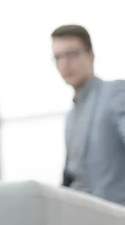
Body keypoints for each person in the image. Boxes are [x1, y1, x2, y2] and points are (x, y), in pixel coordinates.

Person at [52, 25, 125, 205]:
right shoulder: (70, 118)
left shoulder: (115, 93)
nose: (65, 64)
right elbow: (70, 178)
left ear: (90, 56)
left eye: (72, 55)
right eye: (58, 57)